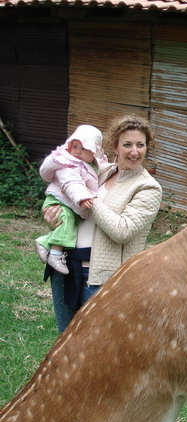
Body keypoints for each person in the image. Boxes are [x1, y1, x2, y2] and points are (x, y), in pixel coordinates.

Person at [44, 115, 162, 333]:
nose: (134, 151)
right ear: (115, 146)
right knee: (64, 340)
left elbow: (122, 231)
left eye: (140, 145)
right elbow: (72, 207)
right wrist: (55, 220)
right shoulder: (99, 171)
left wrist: (86, 198)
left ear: (147, 147)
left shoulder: (148, 188)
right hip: (66, 266)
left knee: (94, 347)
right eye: (127, 144)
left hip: (100, 278)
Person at [35, 125, 105, 275]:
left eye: (84, 148)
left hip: (68, 202)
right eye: (75, 146)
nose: (78, 151)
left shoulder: (90, 165)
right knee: (66, 221)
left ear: (94, 152)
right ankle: (55, 255)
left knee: (70, 225)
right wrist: (82, 197)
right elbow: (71, 183)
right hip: (59, 201)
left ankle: (45, 242)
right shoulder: (68, 164)